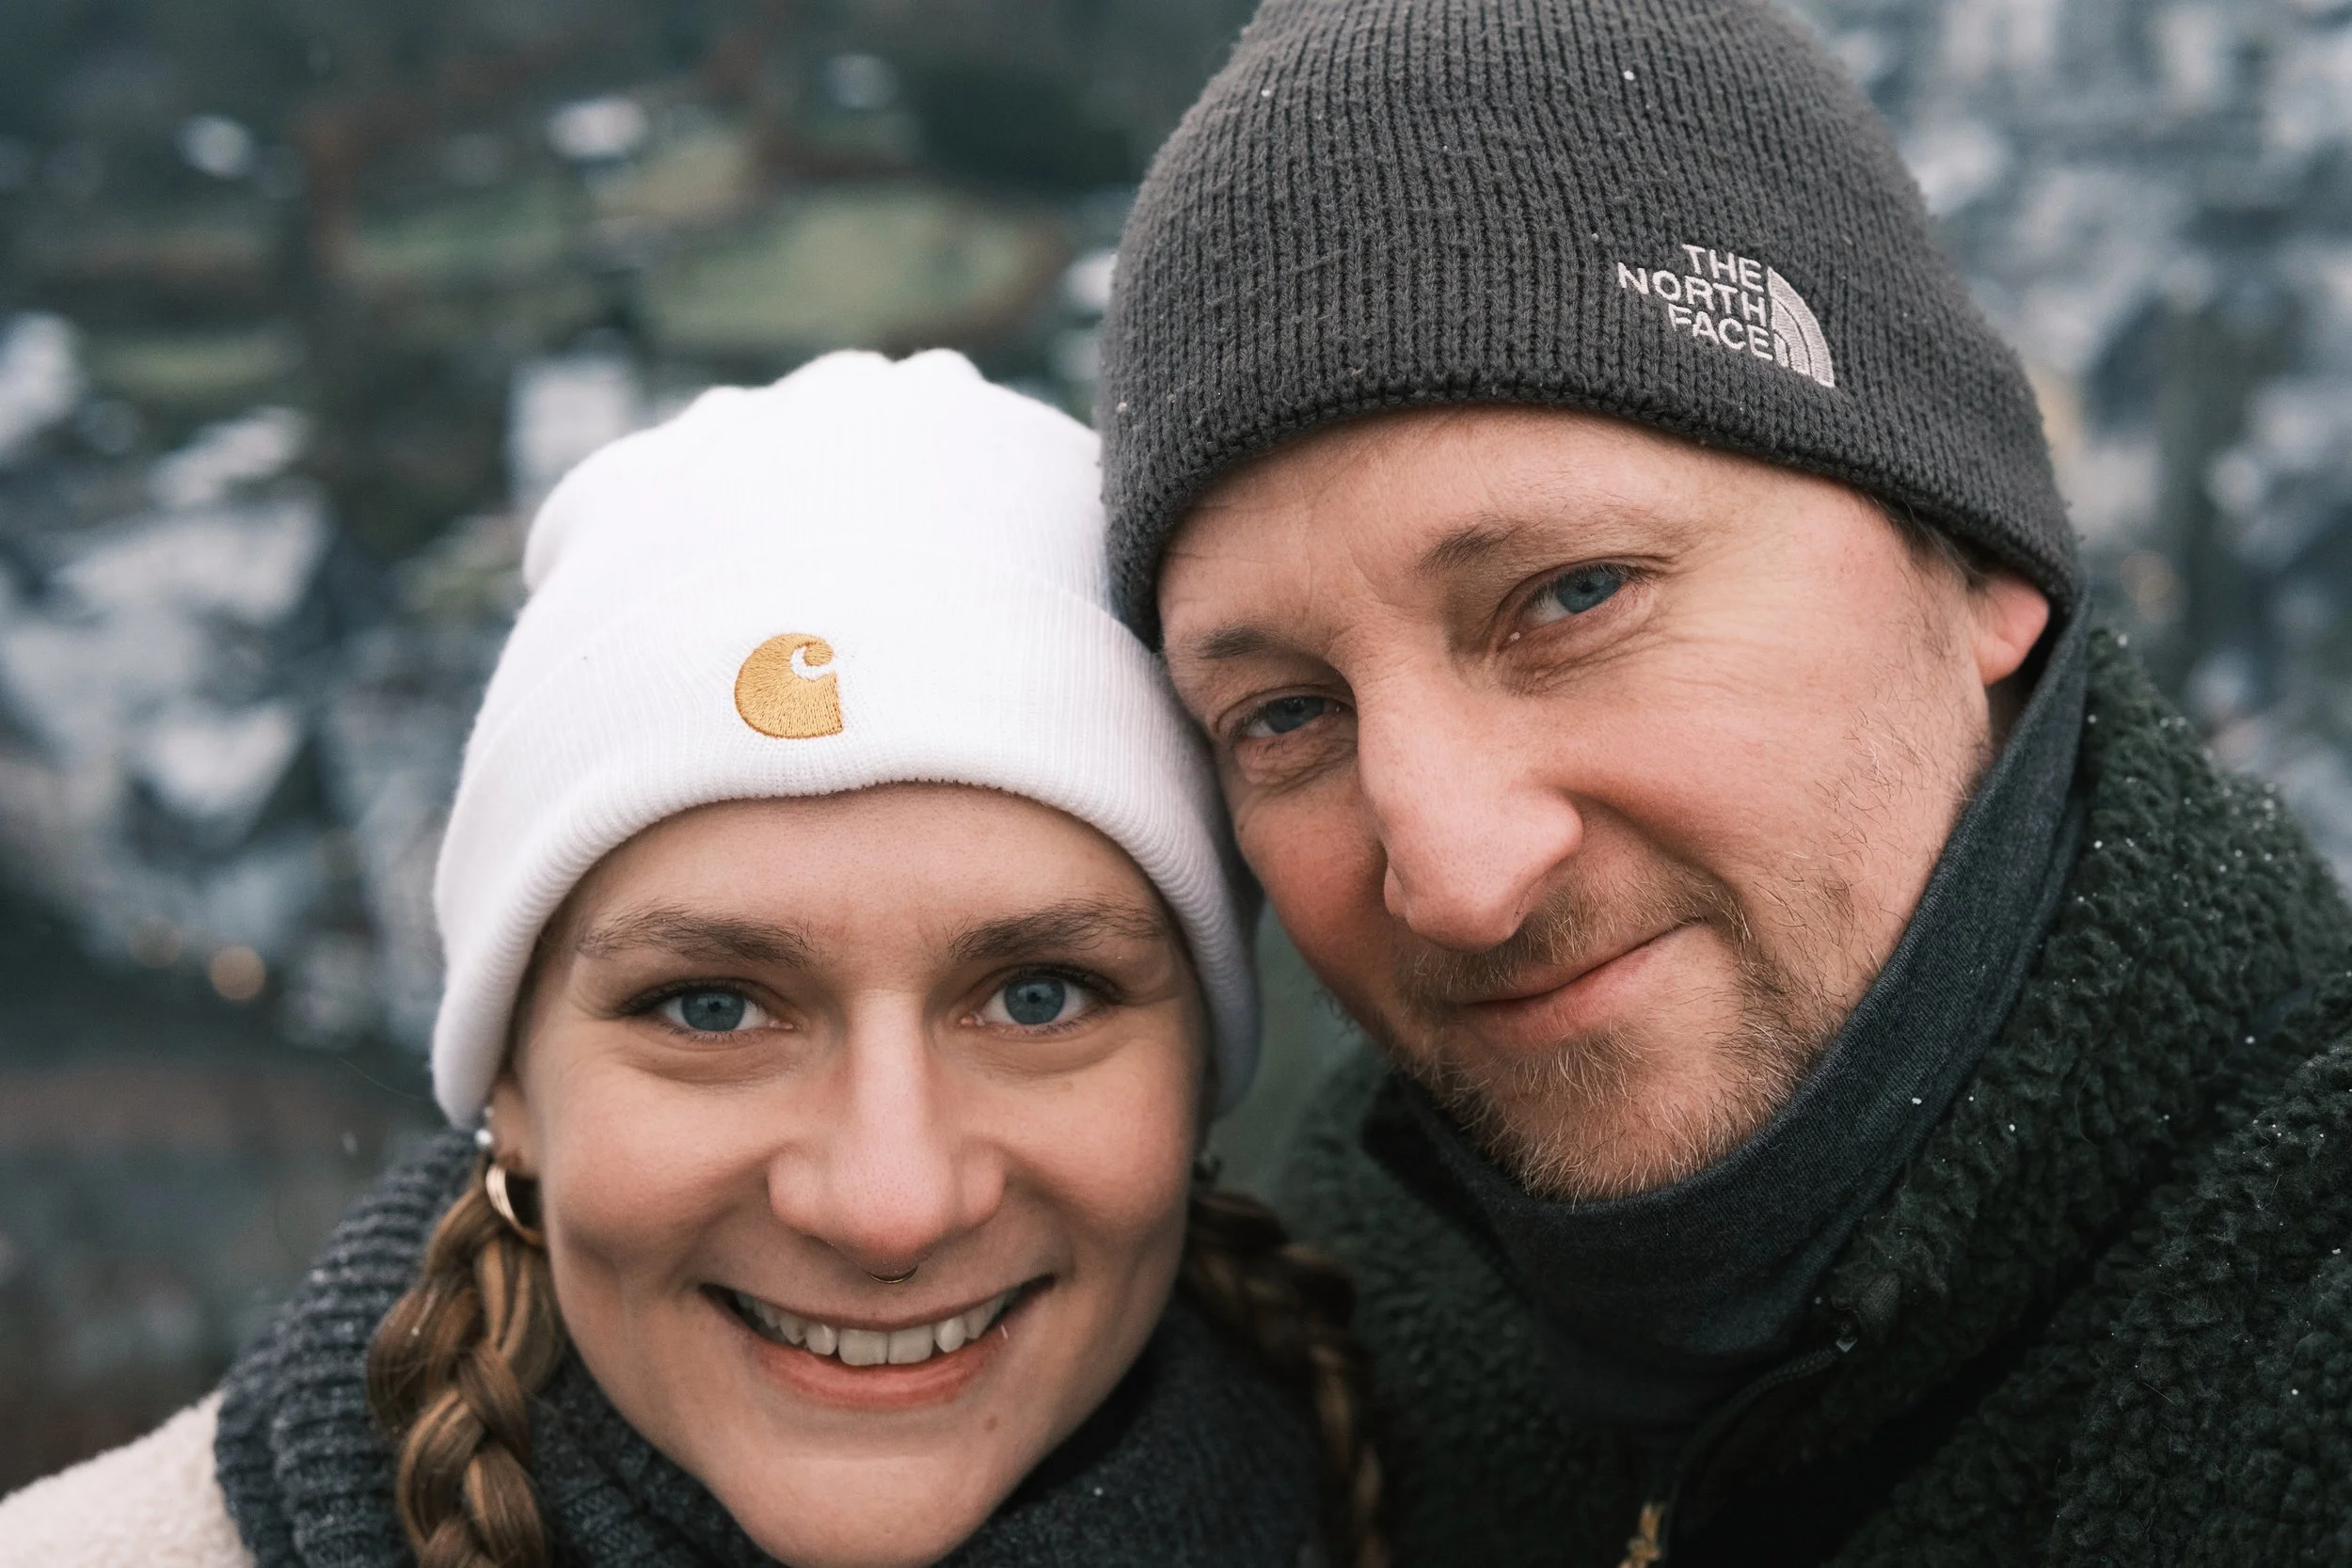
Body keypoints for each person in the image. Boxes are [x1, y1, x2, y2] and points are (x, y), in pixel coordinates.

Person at [1093, 0, 2352, 1562]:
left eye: (1574, 595)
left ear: (1981, 566)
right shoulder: (1371, 1263)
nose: (1459, 873)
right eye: (1284, 713)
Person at [0, 351, 1383, 1568]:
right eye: (711, 1007)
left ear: (1198, 1058)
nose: (888, 1203)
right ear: (513, 1086)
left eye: (1038, 995)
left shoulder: (1455, 1499)